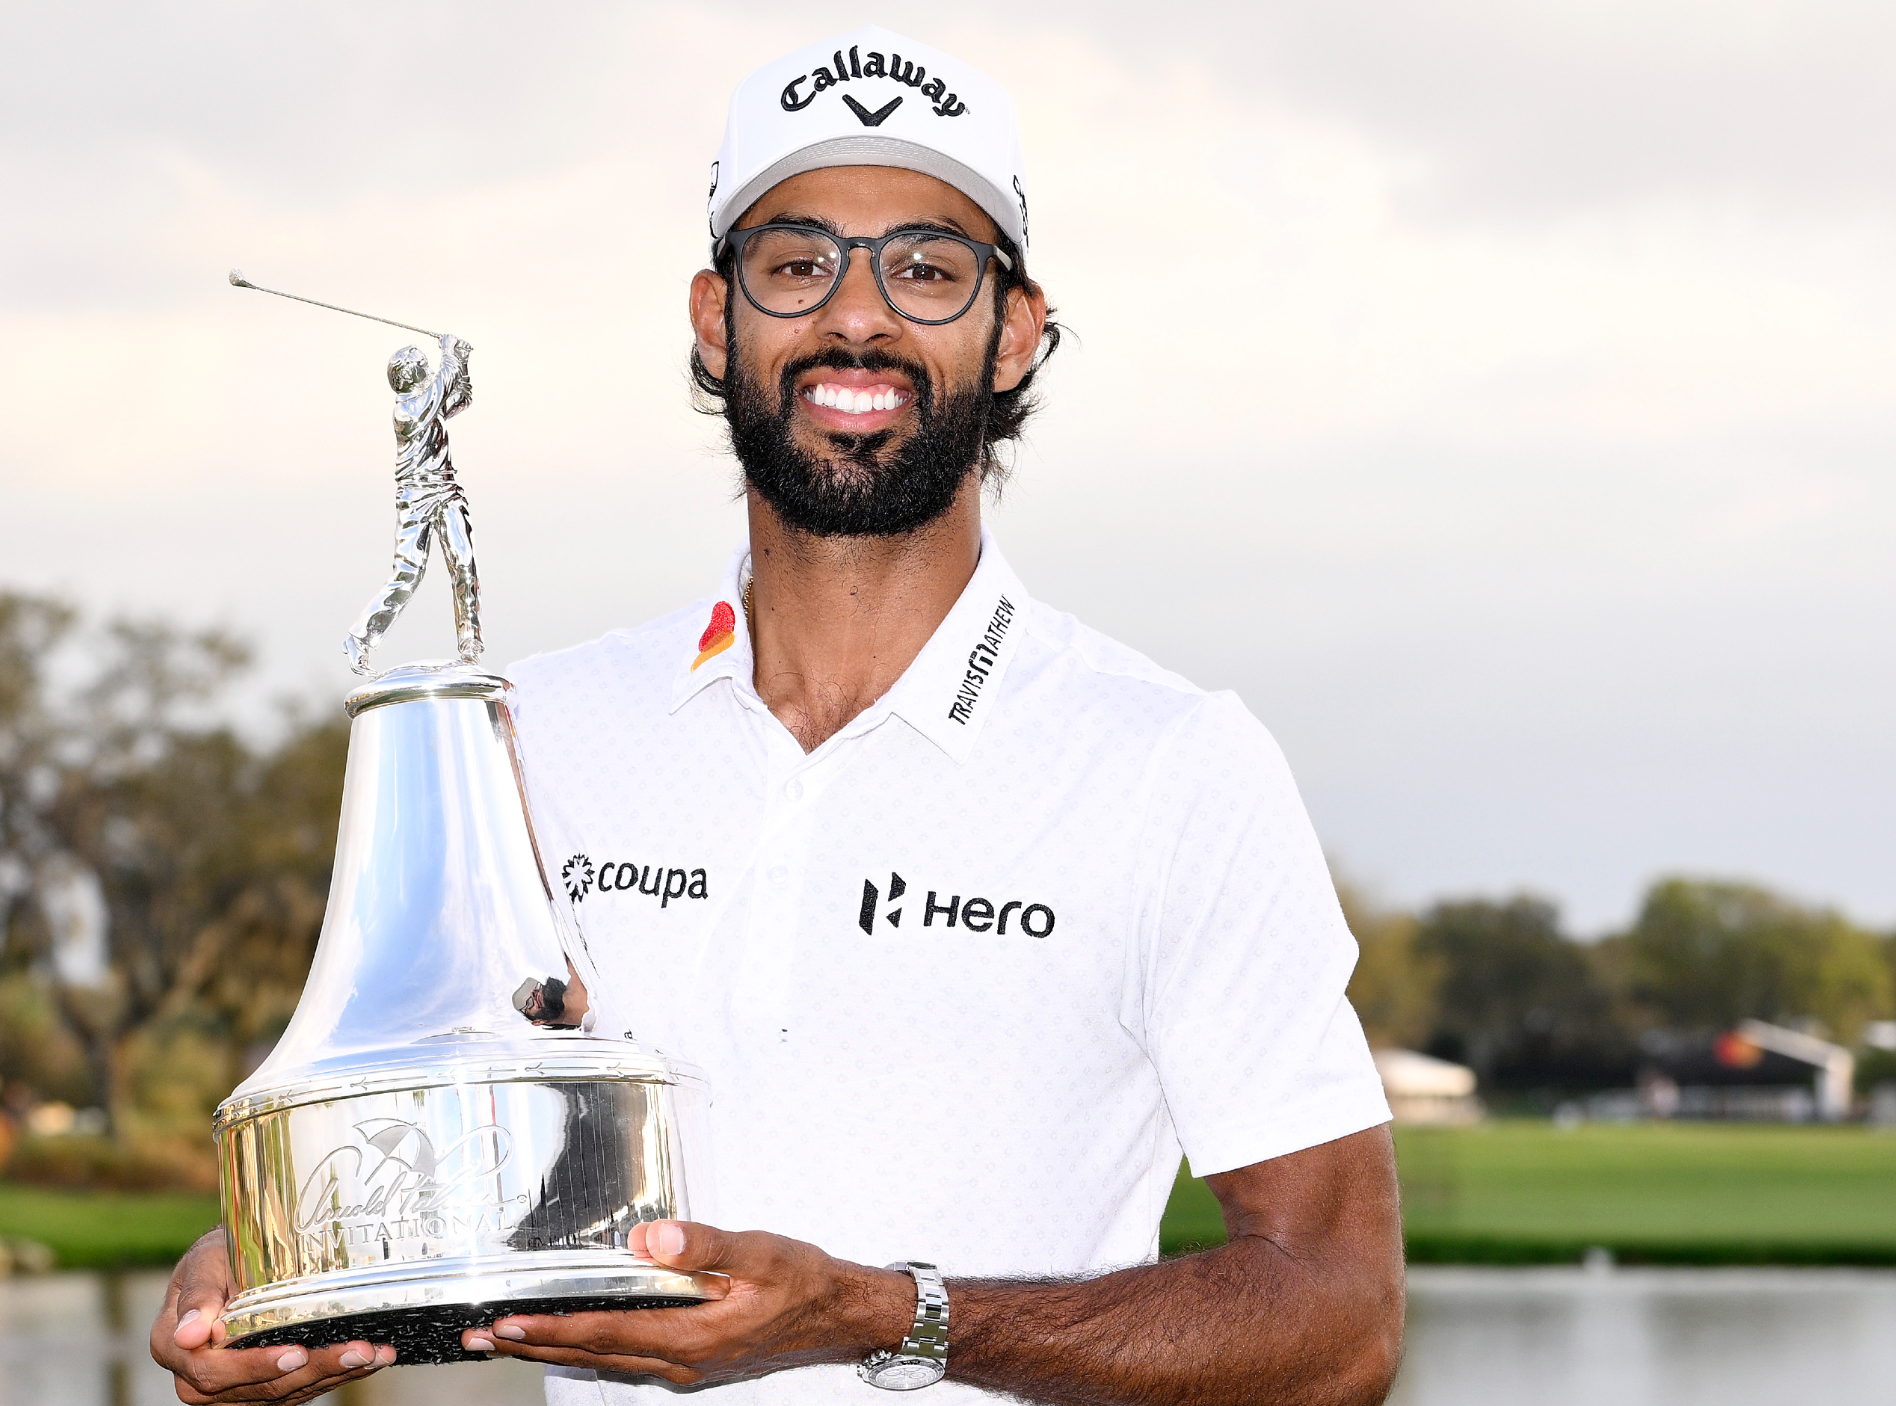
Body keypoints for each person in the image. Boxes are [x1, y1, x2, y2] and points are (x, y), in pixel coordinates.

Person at [154, 25, 1402, 1406]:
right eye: (797, 262)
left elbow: (1340, 1323)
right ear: (716, 316)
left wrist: (876, 1315)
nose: (857, 319)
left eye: (928, 268)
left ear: (1014, 332)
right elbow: (458, 1164)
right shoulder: (537, 731)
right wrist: (285, 1269)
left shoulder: (1174, 763)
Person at [344, 331, 481, 674]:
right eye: (425, 366)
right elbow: (441, 387)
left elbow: (460, 398)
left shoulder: (429, 404)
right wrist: (449, 352)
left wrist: (461, 361)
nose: (430, 371)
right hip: (415, 498)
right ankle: (359, 638)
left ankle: (470, 640)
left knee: (463, 562)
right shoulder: (408, 410)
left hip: (446, 491)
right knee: (408, 573)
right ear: (414, 376)